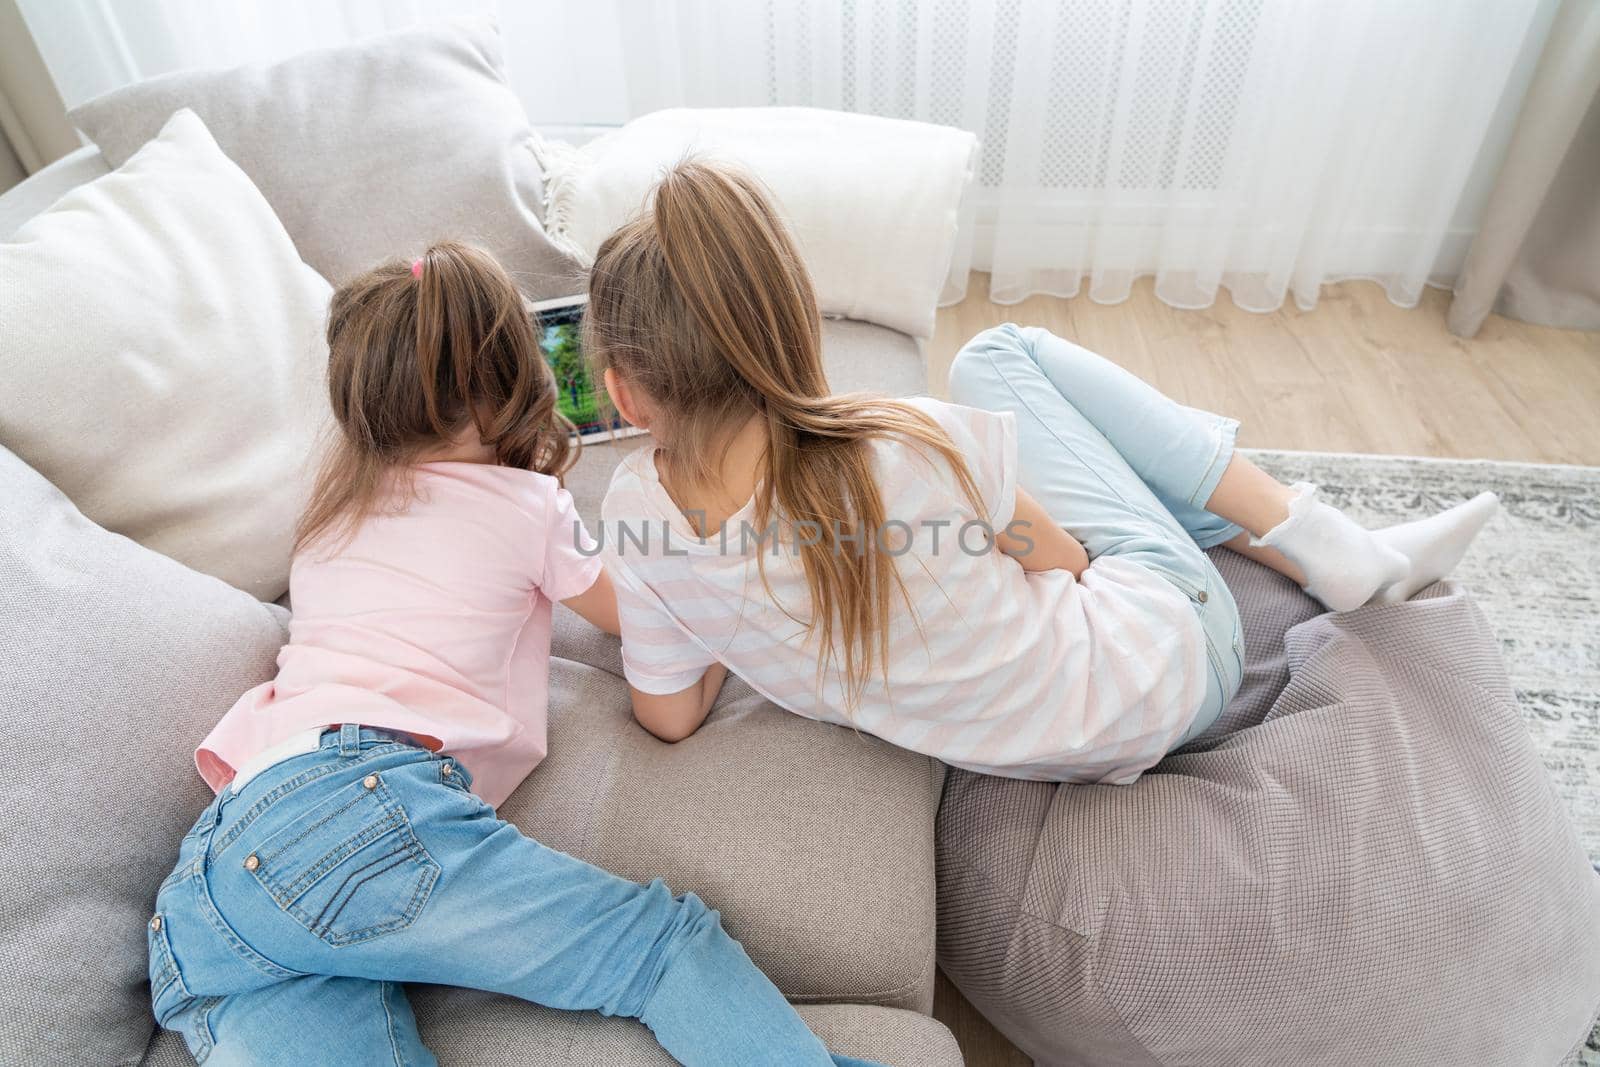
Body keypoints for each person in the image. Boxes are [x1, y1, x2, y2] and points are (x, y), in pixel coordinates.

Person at [148, 242, 874, 1067]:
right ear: (516, 383)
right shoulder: (528, 503)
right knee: (662, 948)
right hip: (363, 809)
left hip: (216, 877)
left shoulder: (329, 518)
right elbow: (645, 614)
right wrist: (722, 637)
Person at [586, 160, 1499, 783]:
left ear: (627, 397)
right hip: (1179, 648)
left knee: (1049, 456)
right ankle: (1308, 532)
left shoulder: (635, 523)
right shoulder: (904, 443)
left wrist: (721, 626)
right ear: (787, 321)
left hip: (1082, 743)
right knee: (997, 356)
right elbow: (1064, 558)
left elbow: (669, 715)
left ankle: (1307, 550)